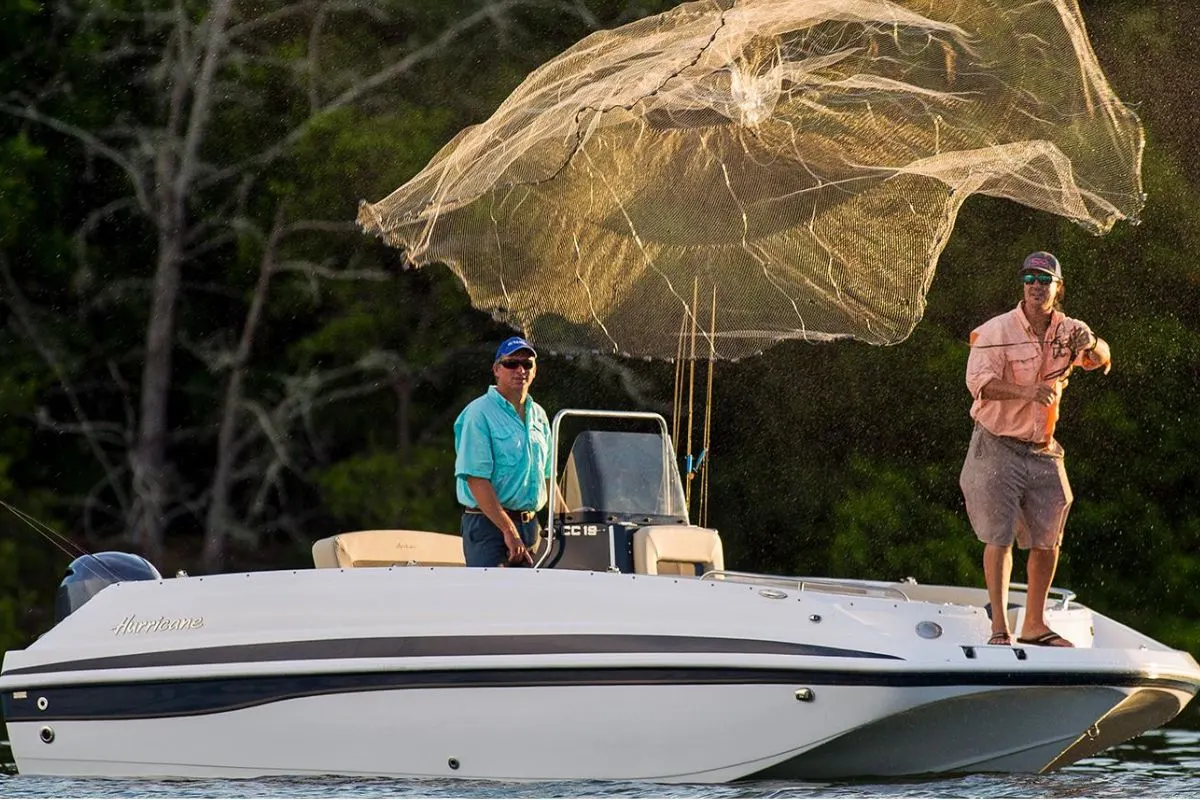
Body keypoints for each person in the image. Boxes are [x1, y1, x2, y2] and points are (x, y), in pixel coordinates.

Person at [960, 251, 1111, 648]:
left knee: (1049, 536)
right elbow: (979, 384)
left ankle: (1034, 624)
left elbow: (1103, 359)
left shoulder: (1070, 329)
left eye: (1044, 280)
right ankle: (999, 630)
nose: (1035, 286)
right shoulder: (996, 330)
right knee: (1000, 536)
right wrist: (1027, 392)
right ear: (1022, 284)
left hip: (1042, 446)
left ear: (1058, 288)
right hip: (996, 443)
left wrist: (1092, 343)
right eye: (1029, 278)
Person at [454, 336, 555, 567]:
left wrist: (571, 522)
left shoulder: (539, 415)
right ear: (496, 370)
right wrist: (509, 531)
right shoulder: (478, 413)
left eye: (527, 364)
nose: (520, 370)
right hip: (488, 527)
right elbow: (476, 479)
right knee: (489, 600)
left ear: (535, 370)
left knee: (531, 602)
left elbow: (548, 477)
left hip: (531, 528)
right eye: (511, 363)